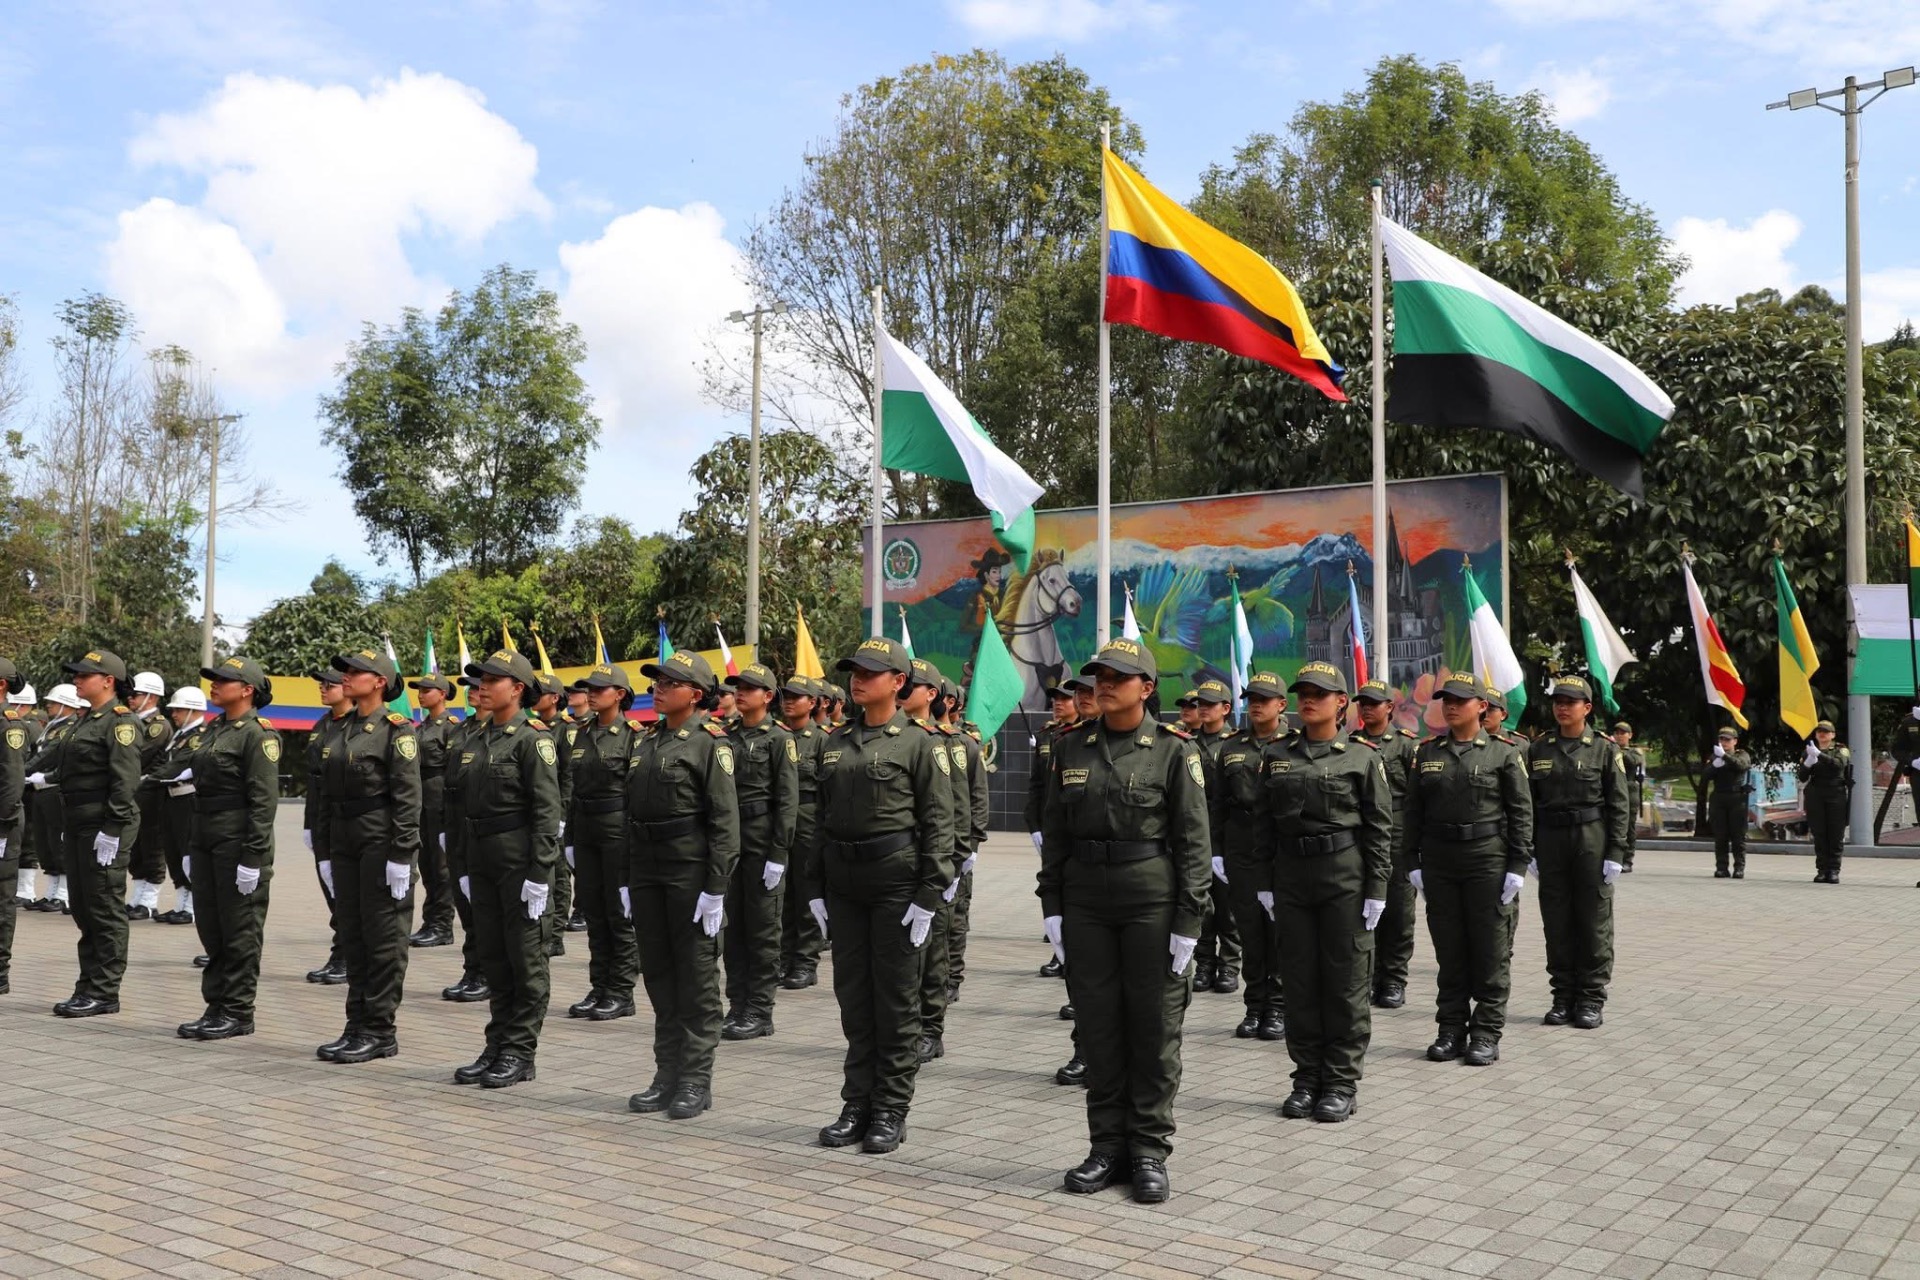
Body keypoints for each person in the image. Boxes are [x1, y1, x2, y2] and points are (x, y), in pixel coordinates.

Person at [1040, 637, 1209, 1204]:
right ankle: (1106, 1147)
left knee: (1154, 1030)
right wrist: (1052, 905)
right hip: (1087, 903)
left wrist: (1188, 921)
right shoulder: (1071, 747)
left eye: (1118, 677)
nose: (1105, 685)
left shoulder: (1173, 750)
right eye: (1100, 676)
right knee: (1099, 1028)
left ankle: (1148, 1151)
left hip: (1150, 902)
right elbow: (1056, 834)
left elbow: (1193, 841)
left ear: (1147, 687)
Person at [804, 637, 954, 1155]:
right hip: (845, 887)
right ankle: (857, 1103)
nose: (858, 679)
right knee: (854, 998)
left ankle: (890, 1108)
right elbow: (819, 819)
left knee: (895, 1001)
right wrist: (814, 887)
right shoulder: (835, 741)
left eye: (870, 672)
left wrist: (929, 893)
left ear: (898, 682)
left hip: (896, 886)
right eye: (854, 671)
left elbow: (940, 823)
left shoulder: (920, 743)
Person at [1255, 662, 1391, 1122]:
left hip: (1343, 874)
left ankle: (1340, 1082)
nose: (1308, 700)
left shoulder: (1362, 757)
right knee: (1299, 982)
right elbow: (1263, 825)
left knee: (1345, 983)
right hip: (1292, 875)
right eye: (1303, 693)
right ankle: (1306, 1078)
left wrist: (1377, 888)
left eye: (1319, 693)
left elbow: (1379, 829)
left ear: (1341, 703)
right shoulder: (1277, 754)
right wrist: (1265, 883)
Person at [624, 649, 739, 1121]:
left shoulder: (710, 744)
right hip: (647, 873)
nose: (660, 688)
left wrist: (716, 887)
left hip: (689, 874)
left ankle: (694, 1079)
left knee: (696, 981)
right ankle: (666, 1074)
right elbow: (629, 816)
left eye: (671, 683)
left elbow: (725, 822)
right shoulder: (646, 741)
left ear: (695, 694)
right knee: (659, 976)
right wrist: (626, 879)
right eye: (658, 681)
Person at [1402, 673, 1533, 1067]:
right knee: (1450, 951)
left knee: (1490, 952)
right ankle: (1451, 1029)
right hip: (1440, 861)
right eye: (1446, 700)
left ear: (1482, 707)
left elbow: (1521, 812)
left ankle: (1486, 1033)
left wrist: (1518, 864)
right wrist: (1411, 862)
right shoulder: (1427, 752)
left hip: (1486, 859)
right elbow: (1413, 812)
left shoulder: (1503, 753)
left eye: (1460, 700)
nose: (1451, 706)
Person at [449, 649, 562, 1089]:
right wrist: (462, 864)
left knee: (526, 960)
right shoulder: (477, 738)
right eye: (480, 679)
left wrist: (539, 873)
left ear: (517, 688)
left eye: (492, 679)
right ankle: (497, 1044)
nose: (482, 686)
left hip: (519, 864)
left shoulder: (533, 740)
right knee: (494, 959)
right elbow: (462, 808)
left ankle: (519, 1051)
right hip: (482, 861)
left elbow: (546, 812)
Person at [312, 648, 421, 1064]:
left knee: (383, 940)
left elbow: (408, 798)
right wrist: (324, 850)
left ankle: (379, 1029)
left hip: (379, 842)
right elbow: (325, 795)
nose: (346, 676)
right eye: (346, 671)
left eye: (356, 672)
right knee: (354, 936)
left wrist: (402, 854)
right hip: (345, 843)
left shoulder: (397, 731)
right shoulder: (340, 728)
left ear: (379, 682)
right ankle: (356, 1024)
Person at [174, 657, 281, 1041]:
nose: (214, 685)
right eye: (214, 679)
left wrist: (253, 857)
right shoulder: (214, 728)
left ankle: (237, 1010)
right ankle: (216, 1004)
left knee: (240, 929)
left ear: (247, 690)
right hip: (205, 836)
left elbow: (263, 802)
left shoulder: (259, 735)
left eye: (224, 680)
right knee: (211, 926)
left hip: (237, 841)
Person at [1528, 677, 1629, 1030]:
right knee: (1557, 922)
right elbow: (1529, 803)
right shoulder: (1538, 748)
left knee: (1593, 922)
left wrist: (1616, 851)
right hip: (1551, 840)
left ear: (1586, 708)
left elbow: (1619, 804)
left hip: (1591, 839)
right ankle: (1562, 996)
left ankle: (1590, 998)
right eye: (1558, 701)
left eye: (1570, 701)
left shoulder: (1604, 749)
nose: (1562, 707)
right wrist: (1529, 849)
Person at [49, 650, 143, 1017]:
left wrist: (113, 829)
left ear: (108, 681)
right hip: (78, 822)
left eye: (84, 675)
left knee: (104, 907)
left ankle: (104, 991)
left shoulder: (120, 723)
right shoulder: (85, 720)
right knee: (83, 907)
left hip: (103, 824)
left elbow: (125, 781)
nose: (77, 679)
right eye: (76, 674)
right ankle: (88, 984)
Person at [562, 663, 643, 1021]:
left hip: (617, 831)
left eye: (599, 689)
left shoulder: (633, 736)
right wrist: (570, 837)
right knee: (594, 913)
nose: (591, 694)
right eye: (589, 689)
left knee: (618, 913)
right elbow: (574, 790)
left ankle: (621, 991)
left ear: (620, 694)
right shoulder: (581, 733)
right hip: (586, 831)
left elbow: (636, 794)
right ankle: (599, 986)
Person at [721, 662, 797, 1041]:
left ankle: (760, 1010)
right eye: (738, 687)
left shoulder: (779, 739)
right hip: (730, 843)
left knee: (763, 932)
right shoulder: (725, 736)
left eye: (749, 688)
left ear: (767, 696)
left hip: (762, 842)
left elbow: (787, 800)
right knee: (732, 930)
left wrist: (778, 854)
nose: (740, 692)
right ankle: (737, 1004)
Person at [909, 664, 976, 1063]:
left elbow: (960, 808)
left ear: (933, 694)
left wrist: (956, 861)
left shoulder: (948, 743)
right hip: (897, 861)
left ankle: (930, 1030)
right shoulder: (889, 738)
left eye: (915, 685)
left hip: (935, 860)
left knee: (934, 950)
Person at [1220, 671, 1288, 1041]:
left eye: (1264, 699)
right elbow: (1216, 803)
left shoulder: (1294, 745)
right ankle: (1254, 1006)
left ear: (1282, 704)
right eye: (1252, 699)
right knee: (1250, 931)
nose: (1256, 705)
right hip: (1242, 850)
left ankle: (1277, 1006)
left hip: (1280, 854)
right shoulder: (1231, 747)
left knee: (1278, 932)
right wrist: (1217, 852)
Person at [1351, 681, 1418, 1009]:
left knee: (1397, 914)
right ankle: (1367, 977)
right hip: (1359, 839)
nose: (1366, 708)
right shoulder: (1351, 745)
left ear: (1390, 707)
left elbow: (1418, 799)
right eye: (1362, 702)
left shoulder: (1406, 746)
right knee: (1361, 911)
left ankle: (1393, 979)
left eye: (1374, 703)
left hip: (1397, 840)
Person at [440, 679, 492, 1003]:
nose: (473, 690)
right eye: (469, 687)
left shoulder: (500, 731)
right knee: (464, 901)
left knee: (483, 906)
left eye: (479, 685)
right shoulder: (460, 729)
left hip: (483, 825)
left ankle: (486, 973)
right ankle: (473, 969)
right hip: (457, 822)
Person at [1188, 677, 1240, 995]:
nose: (1203, 708)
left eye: (1210, 704)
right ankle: (1204, 963)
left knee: (1227, 906)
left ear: (1226, 708)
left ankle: (1229, 964)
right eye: (1201, 703)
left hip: (1225, 837)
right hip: (1194, 835)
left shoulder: (1234, 744)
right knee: (1200, 905)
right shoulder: (1186, 743)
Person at [937, 677, 985, 1008]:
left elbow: (978, 799)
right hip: (928, 845)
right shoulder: (918, 740)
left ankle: (951, 978)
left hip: (958, 847)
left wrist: (972, 847)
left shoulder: (965, 744)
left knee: (955, 917)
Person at [778, 676, 828, 991]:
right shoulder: (777, 736)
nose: (788, 701)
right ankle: (785, 958)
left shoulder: (822, 740)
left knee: (807, 893)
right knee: (782, 895)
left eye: (796, 697)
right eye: (786, 696)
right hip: (780, 822)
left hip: (808, 821)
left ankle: (806, 962)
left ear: (812, 703)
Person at [1026, 682, 1077, 981]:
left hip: (1078, 828)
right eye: (1055, 699)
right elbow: (1036, 786)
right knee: (1054, 886)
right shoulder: (1047, 735)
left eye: (1065, 698)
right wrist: (1034, 826)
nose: (1059, 703)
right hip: (1051, 826)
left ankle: (1072, 952)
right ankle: (1060, 952)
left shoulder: (1084, 736)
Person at [303, 668, 351, 985]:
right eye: (321, 684)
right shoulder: (322, 723)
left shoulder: (356, 725)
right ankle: (341, 952)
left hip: (346, 819)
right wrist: (309, 823)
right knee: (331, 888)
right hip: (321, 817)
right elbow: (312, 778)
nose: (323, 688)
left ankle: (346, 956)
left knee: (346, 893)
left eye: (330, 684)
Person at [406, 674, 460, 949]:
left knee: (441, 866)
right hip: (421, 800)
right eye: (420, 690)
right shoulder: (421, 727)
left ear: (442, 694)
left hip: (440, 801)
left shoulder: (451, 727)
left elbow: (455, 769)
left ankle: (442, 925)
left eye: (427, 690)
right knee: (426, 864)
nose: (421, 694)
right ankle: (430, 921)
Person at [24, 684, 85, 915]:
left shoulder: (68, 727)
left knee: (59, 842)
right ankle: (51, 891)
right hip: (40, 789)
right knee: (45, 843)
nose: (48, 705)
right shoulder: (53, 726)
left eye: (54, 702)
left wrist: (23, 770)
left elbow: (47, 755)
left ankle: (63, 895)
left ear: (67, 705)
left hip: (55, 788)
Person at [154, 687, 211, 925]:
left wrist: (146, 781)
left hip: (187, 799)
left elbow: (175, 767)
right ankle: (181, 903)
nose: (174, 714)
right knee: (173, 852)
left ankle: (193, 907)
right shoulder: (180, 735)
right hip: (170, 798)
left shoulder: (199, 736)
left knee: (188, 852)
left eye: (178, 710)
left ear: (193, 710)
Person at [530, 672, 579, 947]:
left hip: (557, 808)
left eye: (542, 693)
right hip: (539, 810)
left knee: (558, 874)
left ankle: (556, 933)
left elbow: (568, 775)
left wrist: (561, 815)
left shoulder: (566, 728)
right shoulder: (534, 726)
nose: (535, 697)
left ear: (555, 698)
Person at [0, 657, 26, 993]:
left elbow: (11, 780)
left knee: (1, 896)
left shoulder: (9, 725)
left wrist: (4, 827)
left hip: (1, 822)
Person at [1798, 720, 1850, 884]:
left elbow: (1838, 765)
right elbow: (1802, 777)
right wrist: (1808, 763)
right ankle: (1822, 870)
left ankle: (1833, 870)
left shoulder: (1841, 749)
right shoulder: (1809, 751)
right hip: (1816, 793)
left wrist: (1819, 755)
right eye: (1819, 731)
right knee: (1819, 833)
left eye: (1826, 732)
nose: (1822, 734)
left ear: (1832, 735)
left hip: (1835, 793)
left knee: (1835, 833)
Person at [1704, 727, 1752, 879]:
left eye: (1727, 740)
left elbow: (1742, 765)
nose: (1724, 742)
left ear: (1735, 741)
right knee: (1720, 835)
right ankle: (1721, 867)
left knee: (1738, 836)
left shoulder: (1741, 754)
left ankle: (1739, 868)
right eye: (1722, 739)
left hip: (1736, 797)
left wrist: (1725, 757)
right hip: (1719, 797)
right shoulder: (1714, 756)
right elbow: (1705, 776)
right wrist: (1714, 766)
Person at [1611, 722, 1646, 872]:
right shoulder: (1609, 748)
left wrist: (1617, 749)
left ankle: (1627, 860)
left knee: (1628, 828)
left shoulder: (1635, 751)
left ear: (1630, 735)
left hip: (1628, 793)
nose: (1619, 736)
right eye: (1617, 733)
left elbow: (1632, 761)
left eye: (1623, 733)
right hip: (1612, 791)